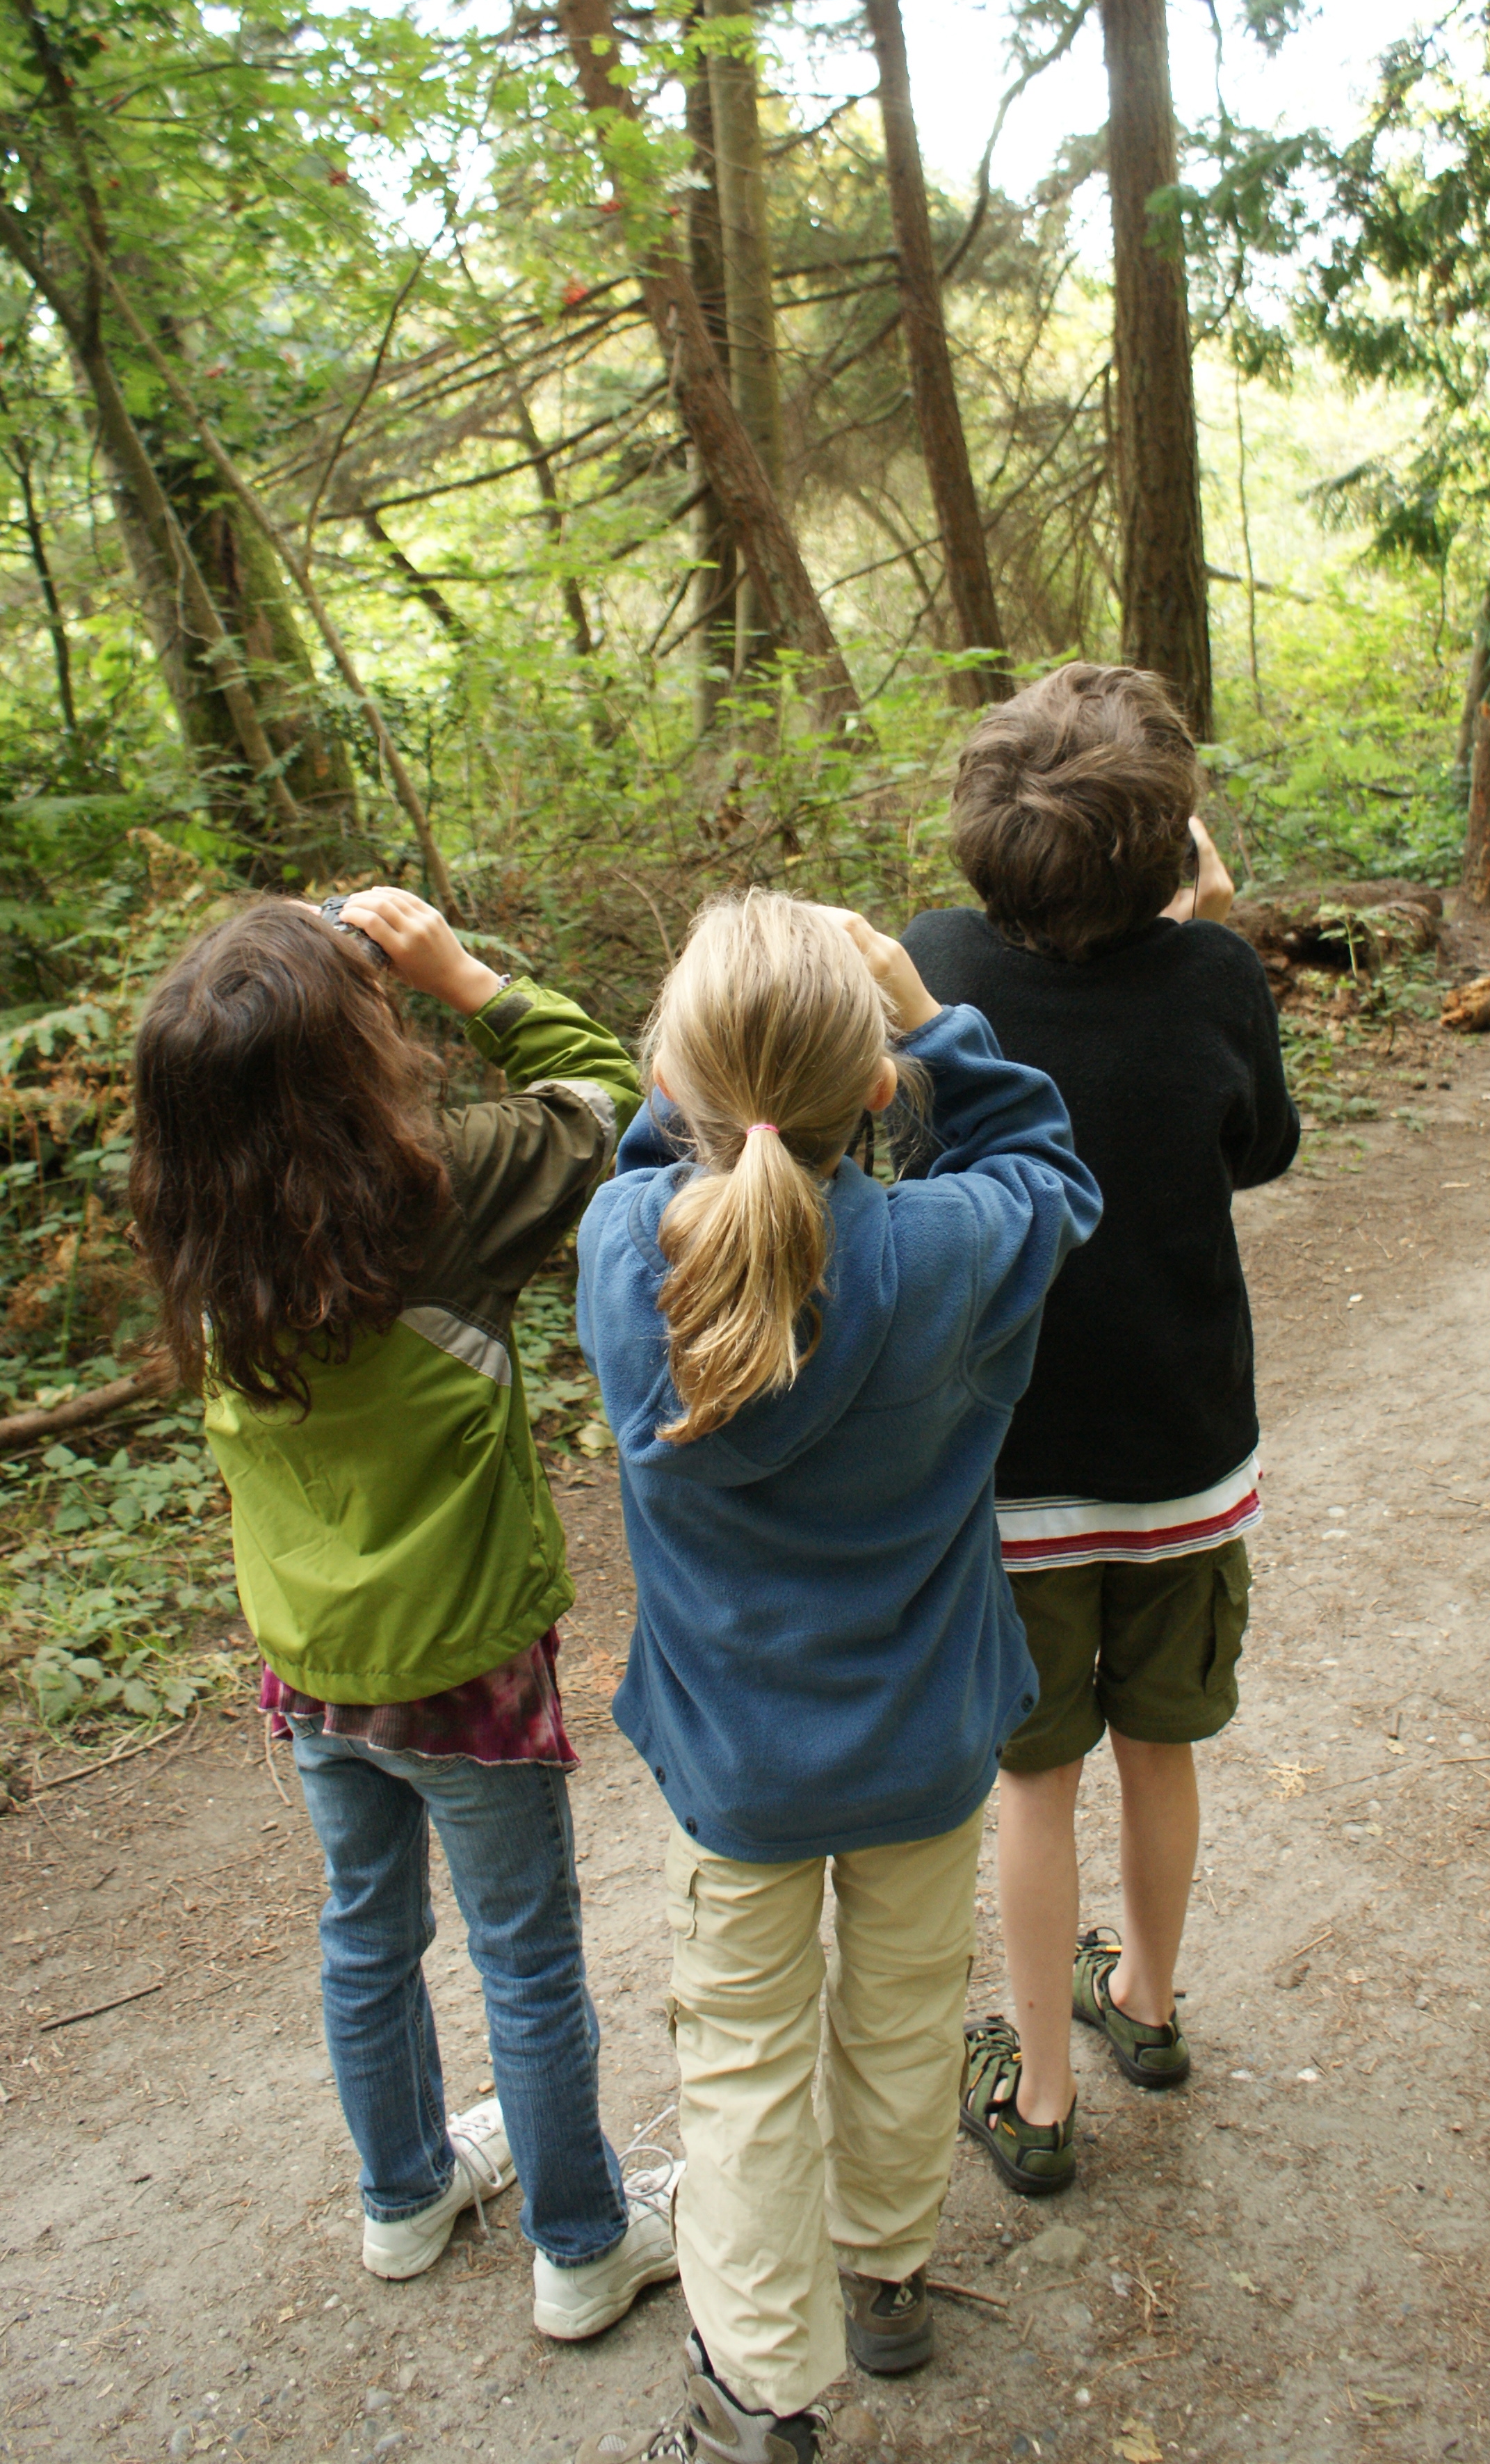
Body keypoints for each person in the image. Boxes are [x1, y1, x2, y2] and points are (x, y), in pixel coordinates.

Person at [574, 890, 1100, 2464]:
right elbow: (1049, 1173)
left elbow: (643, 1166)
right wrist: (928, 1012)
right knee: (901, 2016)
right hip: (928, 1745)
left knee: (738, 2063)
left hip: (735, 1769)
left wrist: (709, 1077)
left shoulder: (624, 1253)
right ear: (876, 1089)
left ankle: (760, 2394)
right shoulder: (949, 1251)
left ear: (676, 1078)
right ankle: (887, 2278)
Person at [129, 887, 679, 2343]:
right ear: (359, 1049)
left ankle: (403, 2197)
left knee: (365, 1931)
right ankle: (581, 2242)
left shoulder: (194, 1225)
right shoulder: (439, 1192)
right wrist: (464, 975)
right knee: (528, 1955)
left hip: (313, 1665)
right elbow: (625, 1099)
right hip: (464, 1673)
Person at [900, 663, 1300, 2196]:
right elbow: (1253, 1144)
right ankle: (1145, 2002)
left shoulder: (932, 966)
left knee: (1034, 1782)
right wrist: (1200, 929)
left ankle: (1045, 2098)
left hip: (1012, 1480)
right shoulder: (1219, 979)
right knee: (1165, 1750)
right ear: (1174, 838)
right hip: (1185, 1463)